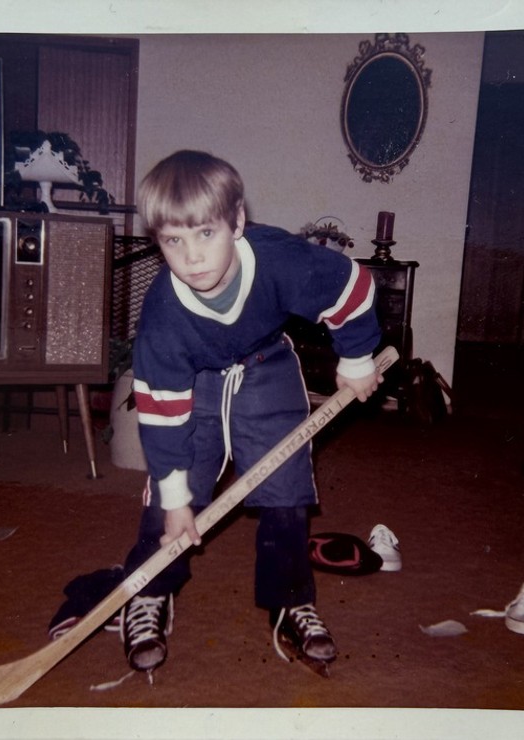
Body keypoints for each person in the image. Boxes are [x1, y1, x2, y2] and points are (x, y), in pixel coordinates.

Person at [120, 149, 382, 675]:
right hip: (191, 380)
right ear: (158, 242)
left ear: (237, 221)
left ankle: (290, 601)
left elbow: (350, 287)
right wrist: (177, 502)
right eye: (174, 240)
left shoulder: (280, 258)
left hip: (265, 361)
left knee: (285, 486)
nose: (192, 257)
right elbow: (162, 416)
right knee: (174, 495)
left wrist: (356, 358)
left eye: (206, 234)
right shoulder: (164, 319)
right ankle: (148, 591)